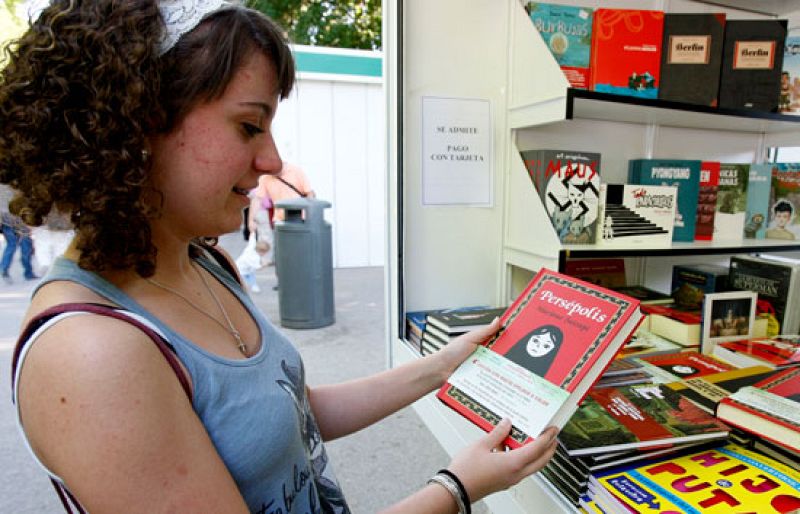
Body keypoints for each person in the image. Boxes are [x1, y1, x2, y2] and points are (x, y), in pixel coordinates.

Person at [1, 2, 558, 513]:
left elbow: (289, 413)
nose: (272, 159)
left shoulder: (204, 261)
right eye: (249, 126)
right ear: (136, 119)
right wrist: (457, 490)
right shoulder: (89, 351)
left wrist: (442, 366)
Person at [0, 184, 38, 283]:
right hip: (19, 223)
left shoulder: (4, 188)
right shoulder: (23, 187)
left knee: (12, 245)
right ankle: (28, 273)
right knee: (25, 248)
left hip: (8, 222)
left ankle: (4, 269)